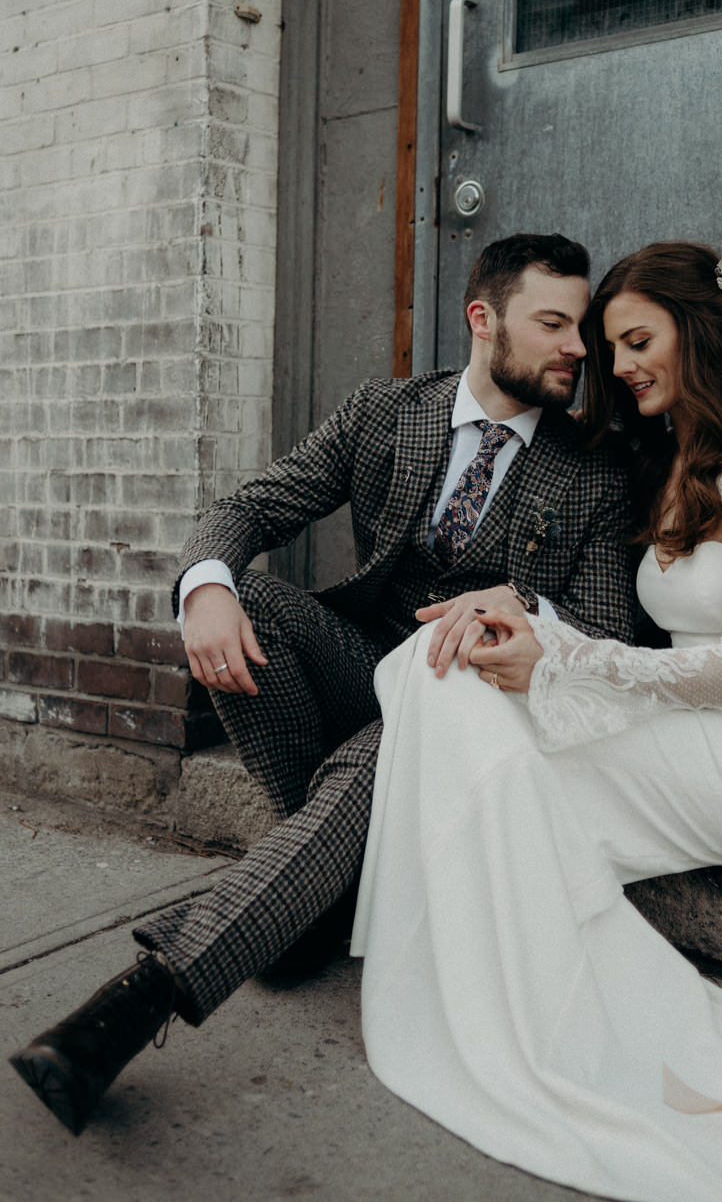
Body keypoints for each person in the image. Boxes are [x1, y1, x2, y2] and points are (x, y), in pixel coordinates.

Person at [9, 233, 637, 1137]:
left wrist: (519, 611)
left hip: (465, 698)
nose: (580, 349)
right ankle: (317, 889)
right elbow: (253, 507)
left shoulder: (594, 470)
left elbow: (608, 627)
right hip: (359, 665)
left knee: (375, 763)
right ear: (483, 319)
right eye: (554, 325)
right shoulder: (385, 413)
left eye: (583, 327)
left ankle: (143, 997)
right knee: (249, 600)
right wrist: (207, 588)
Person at [348, 242, 722, 1202]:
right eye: (609, 346)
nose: (616, 366)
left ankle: (534, 1028)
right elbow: (638, 649)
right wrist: (523, 612)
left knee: (492, 726)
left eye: (634, 340)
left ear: (697, 333)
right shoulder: (681, 463)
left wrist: (559, 655)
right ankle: (483, 996)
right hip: (690, 734)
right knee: (445, 669)